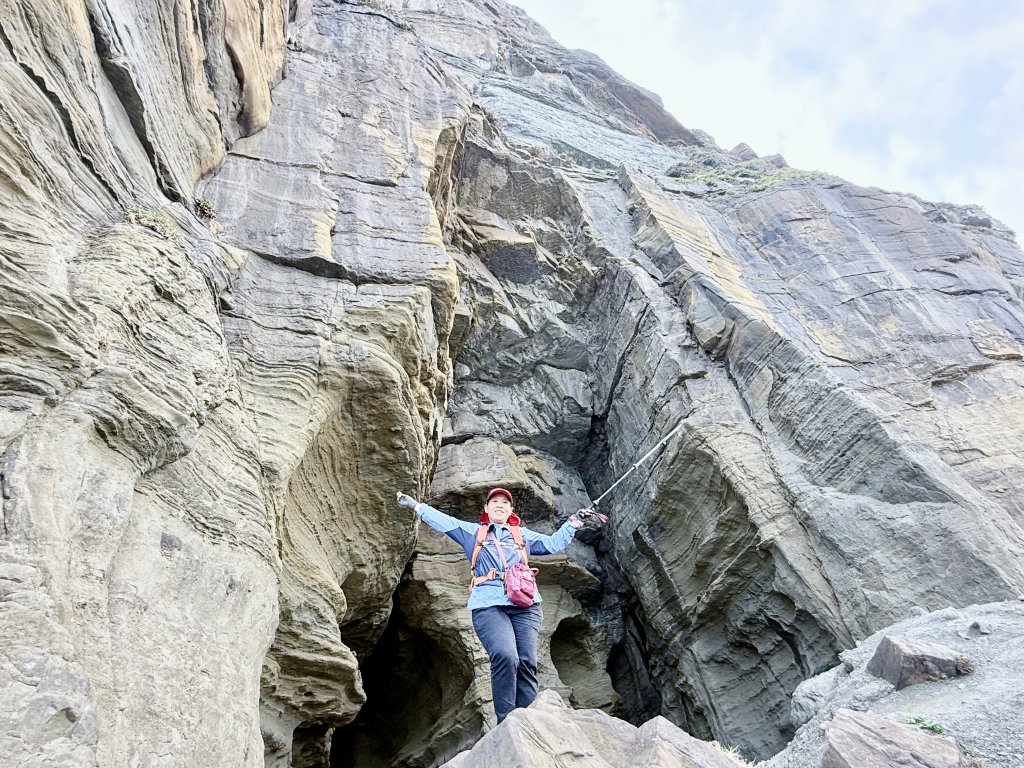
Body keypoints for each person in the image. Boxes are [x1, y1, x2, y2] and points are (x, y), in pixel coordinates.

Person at [395, 487, 604, 723]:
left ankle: (527, 719)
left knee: (527, 661)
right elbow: (443, 521)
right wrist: (415, 505)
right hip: (488, 603)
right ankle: (507, 722)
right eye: (494, 501)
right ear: (485, 509)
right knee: (505, 655)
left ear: (511, 510)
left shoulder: (520, 534)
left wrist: (574, 522)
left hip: (526, 602)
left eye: (505, 502)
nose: (500, 505)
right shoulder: (472, 532)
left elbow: (552, 545)